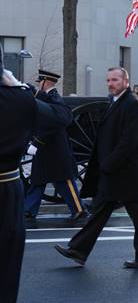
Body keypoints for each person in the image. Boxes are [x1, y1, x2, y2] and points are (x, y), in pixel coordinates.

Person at [0, 45, 73, 303]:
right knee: (4, 271)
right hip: (6, 190)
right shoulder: (20, 100)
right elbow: (61, 117)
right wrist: (18, 86)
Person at [54, 67, 138, 269]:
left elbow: (130, 141)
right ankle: (78, 250)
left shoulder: (132, 104)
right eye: (108, 80)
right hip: (117, 171)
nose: (111, 83)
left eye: (115, 80)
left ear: (126, 82)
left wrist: (108, 164)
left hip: (126, 172)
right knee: (102, 213)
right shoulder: (116, 102)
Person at [23, 70, 88, 222]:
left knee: (64, 181)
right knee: (38, 181)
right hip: (46, 150)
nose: (39, 85)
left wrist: (37, 142)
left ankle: (79, 209)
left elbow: (57, 123)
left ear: (46, 82)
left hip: (56, 149)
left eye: (40, 82)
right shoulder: (48, 98)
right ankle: (29, 210)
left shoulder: (55, 99)